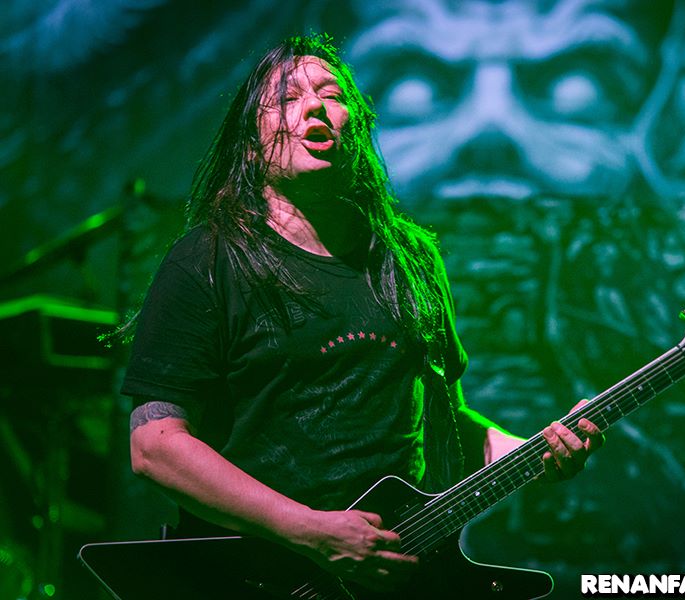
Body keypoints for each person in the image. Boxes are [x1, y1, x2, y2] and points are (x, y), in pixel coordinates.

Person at [124, 33, 602, 592]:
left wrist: (535, 453)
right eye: (286, 98)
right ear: (251, 145)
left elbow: (446, 421)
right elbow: (155, 446)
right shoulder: (208, 260)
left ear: (358, 127)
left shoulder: (409, 258)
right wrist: (311, 532)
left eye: (331, 94)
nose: (314, 106)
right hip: (259, 578)